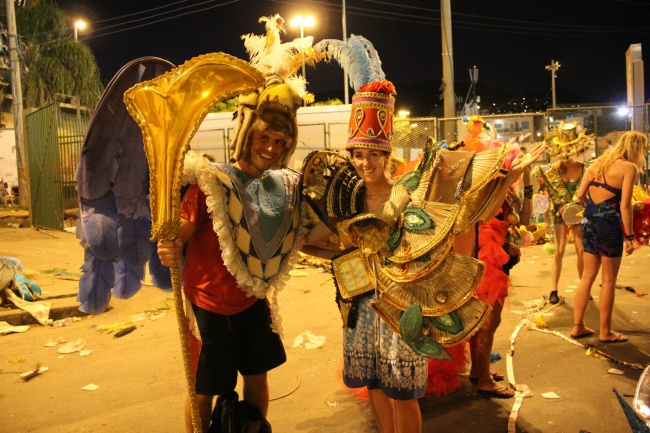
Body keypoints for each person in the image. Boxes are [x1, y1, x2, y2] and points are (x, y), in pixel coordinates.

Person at [155, 17, 313, 433]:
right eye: (264, 138)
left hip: (254, 302)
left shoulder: (283, 186)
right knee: (204, 391)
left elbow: (299, 236)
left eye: (279, 142)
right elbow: (182, 231)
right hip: (210, 307)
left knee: (257, 379)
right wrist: (169, 244)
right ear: (247, 134)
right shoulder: (212, 181)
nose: (271, 148)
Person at [572, 130, 648, 343]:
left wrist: (593, 210)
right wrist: (630, 237)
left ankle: (578, 326)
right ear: (637, 149)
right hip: (609, 226)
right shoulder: (629, 168)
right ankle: (605, 332)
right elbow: (625, 206)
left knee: (587, 276)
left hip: (589, 222)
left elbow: (580, 195)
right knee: (608, 280)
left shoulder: (598, 164)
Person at [533, 121, 593, 304]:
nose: (565, 155)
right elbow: (541, 194)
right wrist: (545, 211)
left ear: (577, 148)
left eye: (569, 150)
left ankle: (584, 287)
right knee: (559, 251)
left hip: (579, 214)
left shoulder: (586, 168)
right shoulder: (551, 171)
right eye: (561, 151)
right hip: (558, 214)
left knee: (581, 250)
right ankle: (554, 290)